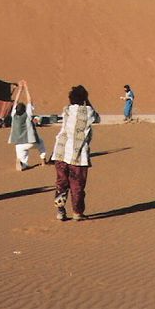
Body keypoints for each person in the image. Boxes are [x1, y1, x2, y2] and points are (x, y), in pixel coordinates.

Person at [51, 85, 98, 221]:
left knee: (61, 184)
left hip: (60, 151)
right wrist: (87, 101)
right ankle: (77, 212)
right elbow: (97, 117)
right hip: (78, 156)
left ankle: (60, 211)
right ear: (84, 98)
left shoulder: (66, 110)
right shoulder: (88, 112)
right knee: (77, 185)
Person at [9, 79, 47, 171]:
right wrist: (26, 88)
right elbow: (29, 101)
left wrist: (20, 89)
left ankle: (23, 164)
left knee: (23, 158)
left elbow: (15, 102)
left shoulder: (13, 115)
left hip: (18, 143)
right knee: (41, 143)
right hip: (30, 141)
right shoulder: (28, 114)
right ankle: (43, 161)